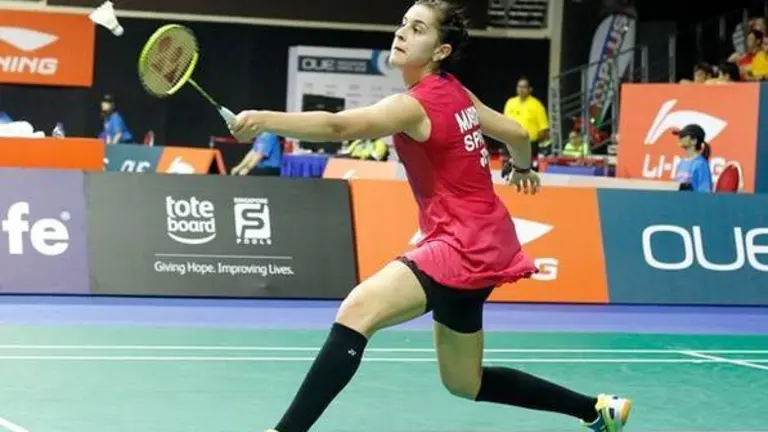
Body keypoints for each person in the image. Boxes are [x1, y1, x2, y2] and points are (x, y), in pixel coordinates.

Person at [229, 1, 632, 432]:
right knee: (464, 382)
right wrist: (522, 167)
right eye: (404, 24)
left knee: (358, 308)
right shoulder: (455, 91)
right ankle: (596, 410)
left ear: (441, 51)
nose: (402, 33)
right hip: (488, 243)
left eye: (418, 28)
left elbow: (338, 127)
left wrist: (264, 120)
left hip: (460, 246)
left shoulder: (413, 105)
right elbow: (517, 133)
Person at [673, 124, 713, 192]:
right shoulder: (681, 163)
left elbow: (705, 191)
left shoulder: (701, 164)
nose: (680, 138)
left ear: (694, 140)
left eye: (683, 136)